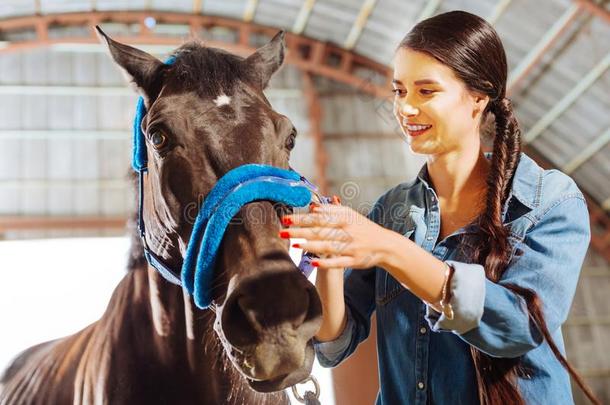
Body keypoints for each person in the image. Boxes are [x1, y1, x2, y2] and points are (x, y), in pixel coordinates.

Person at [279, 10, 600, 405]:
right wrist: (329, 259)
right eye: (399, 91)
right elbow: (334, 345)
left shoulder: (551, 200)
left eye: (426, 91)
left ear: (478, 99)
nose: (406, 108)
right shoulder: (392, 210)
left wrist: (389, 248)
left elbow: (519, 326)